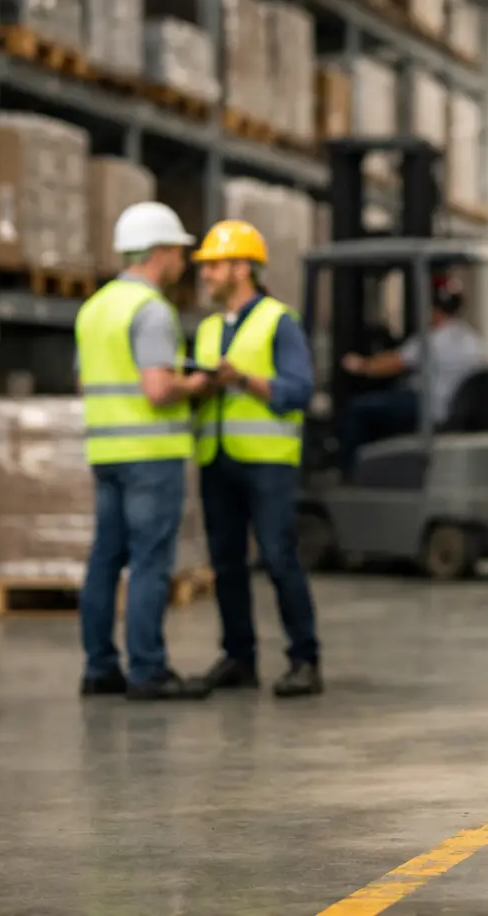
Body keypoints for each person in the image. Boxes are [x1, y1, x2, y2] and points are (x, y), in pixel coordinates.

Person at [75, 202, 216, 701]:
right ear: (158, 252)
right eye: (179, 251)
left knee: (104, 560)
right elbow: (157, 388)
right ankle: (148, 671)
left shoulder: (95, 308)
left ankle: (99, 668)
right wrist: (198, 383)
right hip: (150, 454)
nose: (183, 261)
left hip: (106, 451)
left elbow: (86, 379)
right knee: (150, 561)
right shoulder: (151, 310)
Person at [189, 221, 324, 698]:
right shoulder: (206, 329)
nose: (205, 275)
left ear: (243, 268)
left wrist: (242, 379)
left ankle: (304, 658)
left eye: (214, 266)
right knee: (226, 562)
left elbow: (299, 390)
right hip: (217, 457)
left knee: (278, 557)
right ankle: (238, 657)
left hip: (267, 461)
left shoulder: (278, 322)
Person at [337, 275, 486, 473]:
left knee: (357, 409)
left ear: (433, 308)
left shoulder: (432, 340)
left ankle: (349, 473)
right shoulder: (471, 339)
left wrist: (360, 365)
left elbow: (393, 363)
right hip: (451, 407)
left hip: (429, 407)